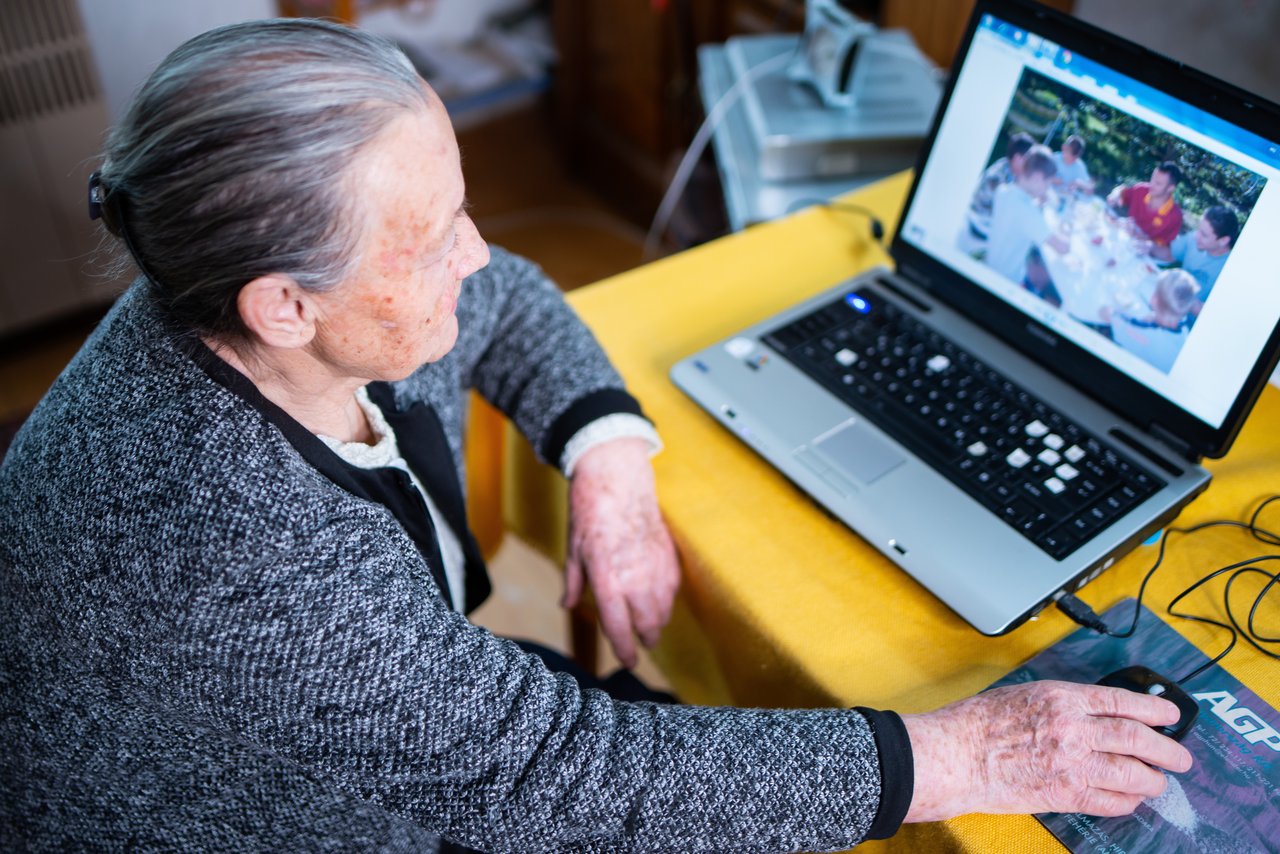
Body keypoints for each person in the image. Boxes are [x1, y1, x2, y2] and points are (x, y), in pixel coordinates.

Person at [0, 19, 1193, 852]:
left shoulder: (225, 286)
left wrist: (610, 468)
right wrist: (964, 759)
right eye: (433, 239)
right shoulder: (245, 565)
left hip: (379, 734)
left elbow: (506, 294)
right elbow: (560, 778)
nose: (477, 251)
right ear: (285, 304)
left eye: (460, 205)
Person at [985, 145, 1071, 286]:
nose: (1047, 189)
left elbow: (1020, 217)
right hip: (1006, 281)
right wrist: (1067, 228)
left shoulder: (1004, 190)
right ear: (1038, 178)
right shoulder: (1027, 212)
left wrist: (1040, 204)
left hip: (991, 264)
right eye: (1047, 183)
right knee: (1048, 281)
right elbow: (1063, 248)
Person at [1107, 268, 1200, 373]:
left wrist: (1111, 312)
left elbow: (1110, 317)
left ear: (1153, 299)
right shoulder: (1184, 327)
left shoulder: (1144, 333)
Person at [1150, 204, 1239, 308]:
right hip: (1166, 301)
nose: (1197, 236)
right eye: (1199, 229)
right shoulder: (1195, 239)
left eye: (1204, 235)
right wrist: (1150, 246)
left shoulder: (1231, 272)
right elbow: (1169, 255)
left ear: (1223, 241)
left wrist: (1185, 299)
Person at [966, 131, 1036, 242]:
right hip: (980, 226)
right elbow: (1009, 212)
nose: (1031, 165)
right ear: (1018, 158)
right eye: (1029, 160)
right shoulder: (999, 177)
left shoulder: (1009, 168)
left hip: (986, 222)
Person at [1107, 161, 1185, 248]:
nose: (1151, 185)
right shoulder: (1141, 190)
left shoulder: (1175, 216)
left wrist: (1145, 240)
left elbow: (1166, 250)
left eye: (1158, 183)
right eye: (1152, 179)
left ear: (1170, 188)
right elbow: (1121, 192)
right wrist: (1115, 194)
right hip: (1121, 243)